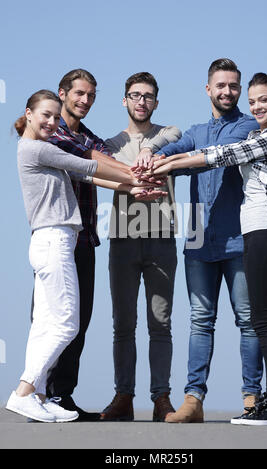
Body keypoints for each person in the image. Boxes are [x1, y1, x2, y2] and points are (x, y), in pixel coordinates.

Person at [153, 72, 267, 425]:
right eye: (222, 85)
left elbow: (222, 155)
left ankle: (256, 398)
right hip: (201, 235)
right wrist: (152, 152)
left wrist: (170, 163)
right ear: (208, 89)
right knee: (203, 321)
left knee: (253, 321)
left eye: (235, 86)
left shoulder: (255, 129)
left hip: (244, 235)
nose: (229, 92)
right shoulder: (198, 131)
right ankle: (194, 400)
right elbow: (177, 146)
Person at [6, 90, 152, 422]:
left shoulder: (37, 151)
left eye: (56, 117)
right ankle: (24, 390)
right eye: (45, 115)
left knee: (45, 326)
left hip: (50, 240)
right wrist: (137, 175)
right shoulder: (39, 148)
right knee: (67, 323)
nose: (51, 122)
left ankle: (39, 396)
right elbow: (85, 164)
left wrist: (133, 189)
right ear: (28, 113)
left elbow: (85, 174)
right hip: (54, 241)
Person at [100, 72, 181, 422]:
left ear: (156, 102)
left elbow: (174, 133)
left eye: (148, 96)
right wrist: (129, 184)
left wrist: (149, 149)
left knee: (160, 324)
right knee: (123, 324)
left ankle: (161, 398)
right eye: (135, 95)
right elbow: (98, 174)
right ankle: (123, 397)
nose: (141, 101)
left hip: (162, 238)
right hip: (123, 239)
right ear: (124, 100)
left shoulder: (169, 136)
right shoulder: (109, 144)